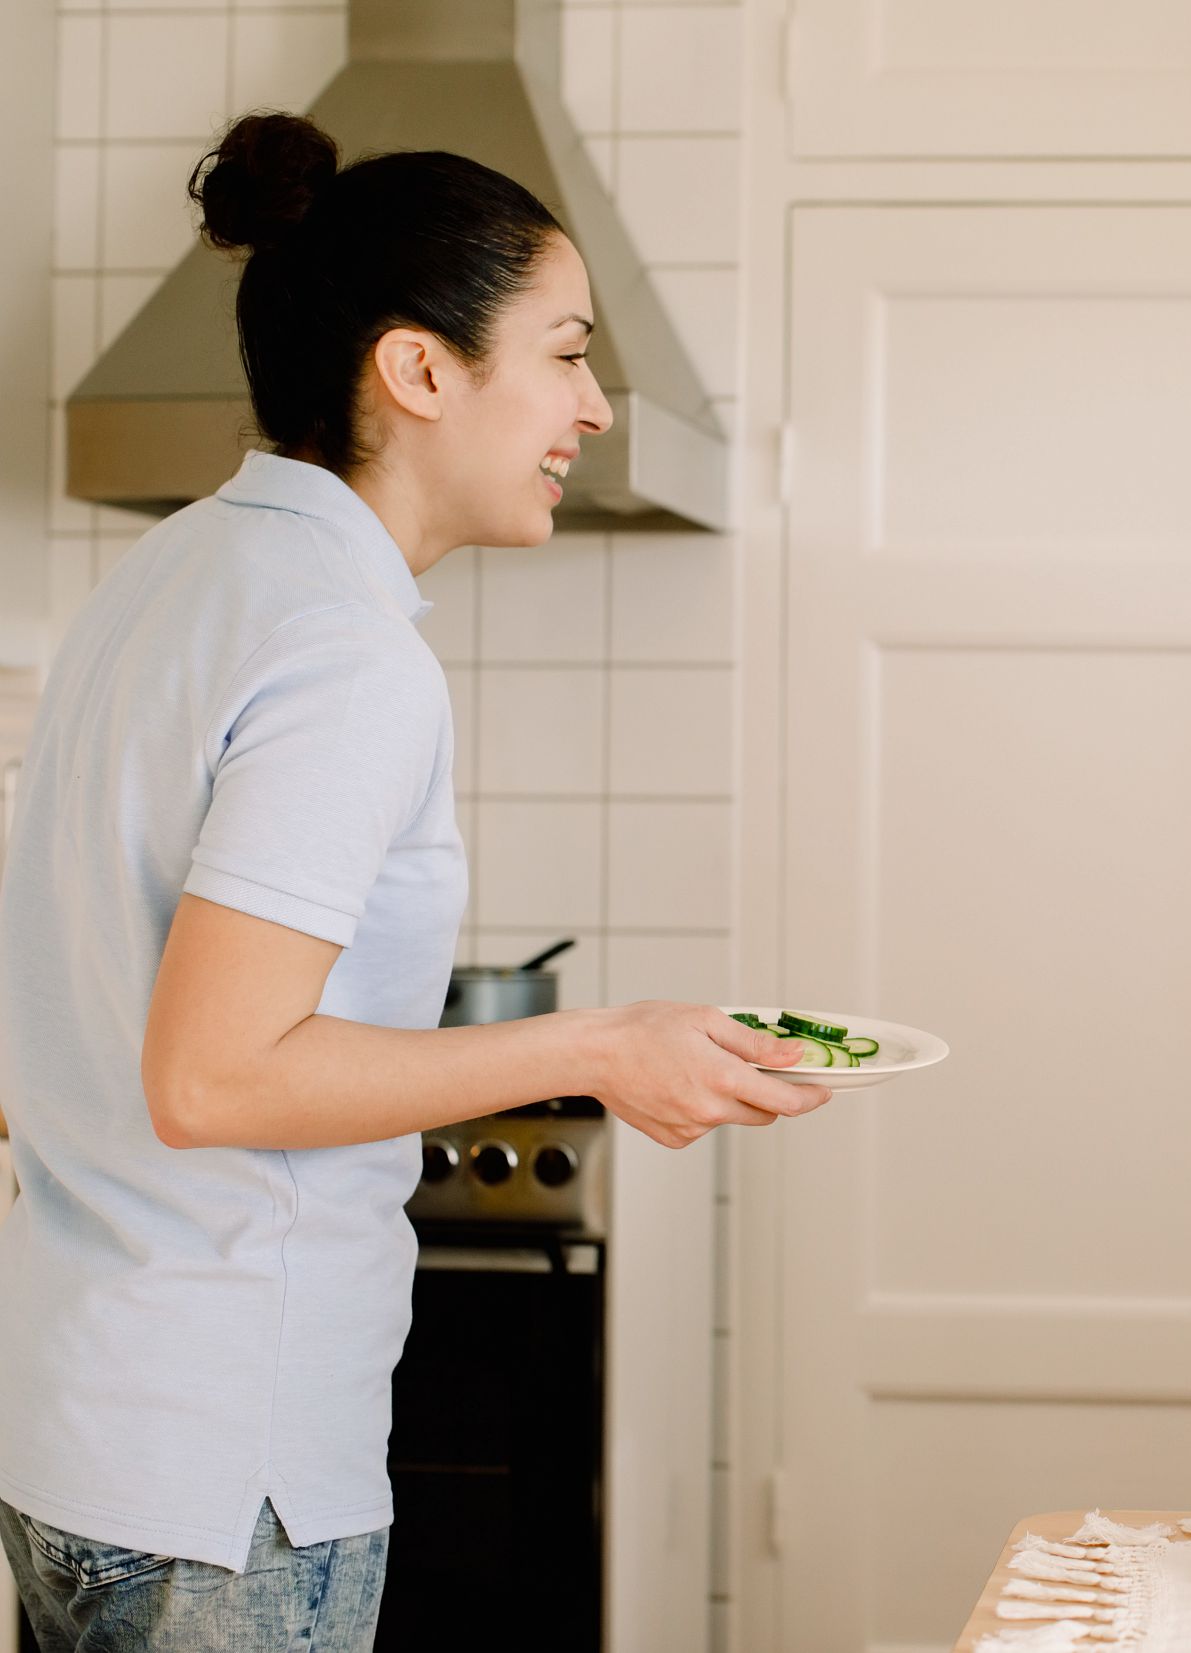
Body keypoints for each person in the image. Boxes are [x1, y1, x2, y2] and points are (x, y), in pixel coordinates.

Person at [0, 113, 817, 1651]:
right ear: (422, 371)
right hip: (225, 1480)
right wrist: (597, 1046)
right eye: (565, 354)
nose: (594, 405)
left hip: (77, 1432)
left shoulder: (161, 584)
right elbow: (215, 1074)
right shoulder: (345, 651)